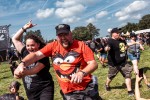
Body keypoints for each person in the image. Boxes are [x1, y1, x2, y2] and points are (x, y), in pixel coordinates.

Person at [14, 23, 100, 100]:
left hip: (86, 87)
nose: (63, 38)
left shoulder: (81, 45)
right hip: (68, 91)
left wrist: (81, 73)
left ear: (71, 34)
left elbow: (93, 64)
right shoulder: (53, 46)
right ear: (56, 36)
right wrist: (22, 63)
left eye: (65, 34)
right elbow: (36, 55)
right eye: (60, 35)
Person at [12, 20, 54, 100]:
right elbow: (15, 39)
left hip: (45, 88)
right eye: (28, 45)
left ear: (38, 45)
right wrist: (24, 28)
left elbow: (35, 70)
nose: (30, 48)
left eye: (32, 45)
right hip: (31, 90)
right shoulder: (24, 51)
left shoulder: (43, 55)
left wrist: (21, 72)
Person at [104, 28, 134, 96]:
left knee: (128, 75)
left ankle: (130, 91)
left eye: (119, 33)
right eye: (117, 33)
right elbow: (107, 47)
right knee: (111, 76)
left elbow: (125, 46)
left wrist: (127, 46)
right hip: (114, 64)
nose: (119, 34)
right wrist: (107, 48)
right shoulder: (110, 41)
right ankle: (107, 84)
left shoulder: (121, 40)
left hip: (123, 62)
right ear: (113, 34)